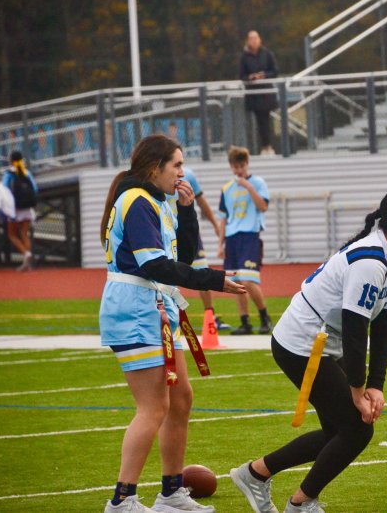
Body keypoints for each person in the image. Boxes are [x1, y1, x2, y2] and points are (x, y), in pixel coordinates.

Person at [229, 186, 387, 513]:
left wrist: (377, 385)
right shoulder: (370, 260)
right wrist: (358, 389)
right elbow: (356, 329)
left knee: (341, 431)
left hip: (324, 342)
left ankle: (255, 474)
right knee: (357, 430)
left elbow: (383, 325)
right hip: (301, 343)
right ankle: (300, 502)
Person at [99, 134, 246, 513]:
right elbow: (154, 265)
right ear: (154, 167)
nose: (183, 172)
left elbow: (181, 250)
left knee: (181, 399)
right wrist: (214, 280)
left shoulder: (156, 201)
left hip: (154, 307)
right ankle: (122, 499)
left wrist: (186, 210)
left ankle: (170, 493)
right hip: (135, 307)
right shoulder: (137, 201)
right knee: (152, 407)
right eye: (177, 165)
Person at [166, 166, 231, 331]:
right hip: (168, 235)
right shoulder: (158, 179)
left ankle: (211, 317)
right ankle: (168, 316)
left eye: (180, 163)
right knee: (167, 274)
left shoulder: (189, 175)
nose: (180, 170)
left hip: (188, 233)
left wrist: (216, 225)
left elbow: (201, 202)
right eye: (176, 163)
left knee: (202, 269)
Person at [218, 146, 273, 335]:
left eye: (241, 166)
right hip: (232, 239)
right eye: (235, 167)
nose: (238, 170)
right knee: (235, 282)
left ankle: (265, 317)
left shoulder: (258, 183)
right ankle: (245, 322)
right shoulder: (226, 189)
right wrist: (220, 243)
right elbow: (224, 218)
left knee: (248, 280)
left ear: (247, 164)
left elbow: (263, 206)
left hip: (250, 235)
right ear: (231, 167)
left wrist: (249, 187)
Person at [240, 30, 279, 156]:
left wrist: (263, 76)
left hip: (266, 93)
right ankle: (262, 147)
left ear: (260, 39)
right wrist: (251, 78)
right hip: (254, 95)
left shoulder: (267, 54)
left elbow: (274, 71)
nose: (254, 41)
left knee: (267, 121)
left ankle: (269, 146)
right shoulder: (244, 57)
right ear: (248, 41)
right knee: (258, 122)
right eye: (251, 38)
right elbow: (242, 75)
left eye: (256, 38)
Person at [2, 151, 37, 271]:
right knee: (24, 233)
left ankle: (26, 254)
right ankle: (27, 261)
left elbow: (4, 190)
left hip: (15, 209)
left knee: (12, 234)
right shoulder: (27, 172)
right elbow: (35, 189)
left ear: (11, 160)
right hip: (27, 208)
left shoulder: (8, 174)